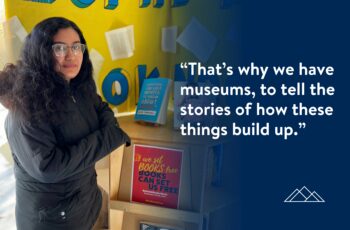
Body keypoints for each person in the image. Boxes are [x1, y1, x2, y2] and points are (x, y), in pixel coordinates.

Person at [0, 17, 130, 230]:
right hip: (54, 221)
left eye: (76, 47)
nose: (71, 55)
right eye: (59, 48)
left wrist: (110, 131)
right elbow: (50, 168)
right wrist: (110, 137)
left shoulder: (77, 86)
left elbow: (102, 109)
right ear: (41, 53)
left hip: (89, 202)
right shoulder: (24, 108)